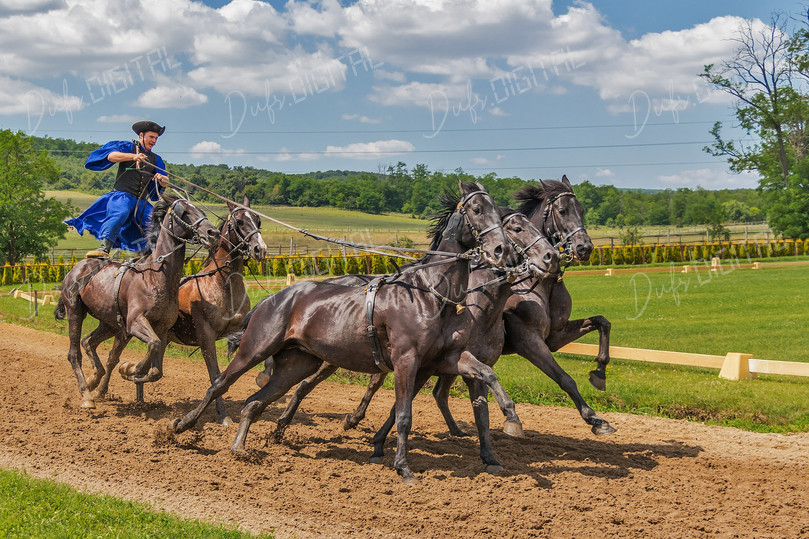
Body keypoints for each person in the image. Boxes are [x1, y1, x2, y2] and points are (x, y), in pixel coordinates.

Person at [66, 121, 169, 258]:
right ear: (141, 135)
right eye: (151, 137)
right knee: (121, 212)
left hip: (141, 202)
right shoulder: (127, 147)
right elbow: (111, 156)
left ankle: (155, 255)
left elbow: (164, 181)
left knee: (159, 224)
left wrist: (163, 180)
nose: (154, 141)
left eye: (156, 138)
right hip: (122, 196)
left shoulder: (156, 159)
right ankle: (104, 248)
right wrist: (133, 156)